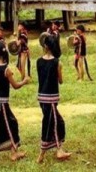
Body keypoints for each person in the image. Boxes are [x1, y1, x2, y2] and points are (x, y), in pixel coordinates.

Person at [0, 39, 31, 162]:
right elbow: (15, 86)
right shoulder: (6, 70)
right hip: (2, 103)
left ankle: (2, 153)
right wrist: (24, 81)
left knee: (1, 126)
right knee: (10, 125)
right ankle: (9, 153)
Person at [37, 33, 71, 163]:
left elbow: (41, 79)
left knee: (57, 122)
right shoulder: (57, 62)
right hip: (51, 98)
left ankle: (58, 150)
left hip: (42, 97)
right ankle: (45, 154)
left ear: (45, 46)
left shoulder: (39, 61)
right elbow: (60, 81)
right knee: (52, 123)